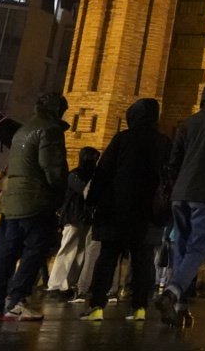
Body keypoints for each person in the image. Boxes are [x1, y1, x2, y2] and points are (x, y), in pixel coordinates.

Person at [156, 78, 205, 327]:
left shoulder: (188, 123)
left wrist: (177, 183)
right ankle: (171, 292)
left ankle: (179, 305)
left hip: (180, 194)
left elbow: (174, 160)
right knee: (199, 247)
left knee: (181, 246)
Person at [82, 98, 170, 321]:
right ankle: (140, 307)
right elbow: (169, 177)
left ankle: (97, 306)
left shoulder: (122, 139)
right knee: (143, 260)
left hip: (116, 209)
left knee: (107, 258)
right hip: (148, 212)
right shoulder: (163, 142)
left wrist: (91, 200)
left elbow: (103, 173)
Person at [0, 92, 69, 322]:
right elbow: (52, 168)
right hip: (36, 200)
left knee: (7, 252)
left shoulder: (22, 131)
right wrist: (60, 192)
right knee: (34, 251)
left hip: (12, 202)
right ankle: (17, 301)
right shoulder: (49, 130)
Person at [45, 146, 98, 299]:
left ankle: (69, 283)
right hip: (74, 216)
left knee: (81, 252)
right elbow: (84, 190)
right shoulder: (75, 174)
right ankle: (56, 284)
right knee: (68, 248)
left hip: (86, 217)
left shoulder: (87, 175)